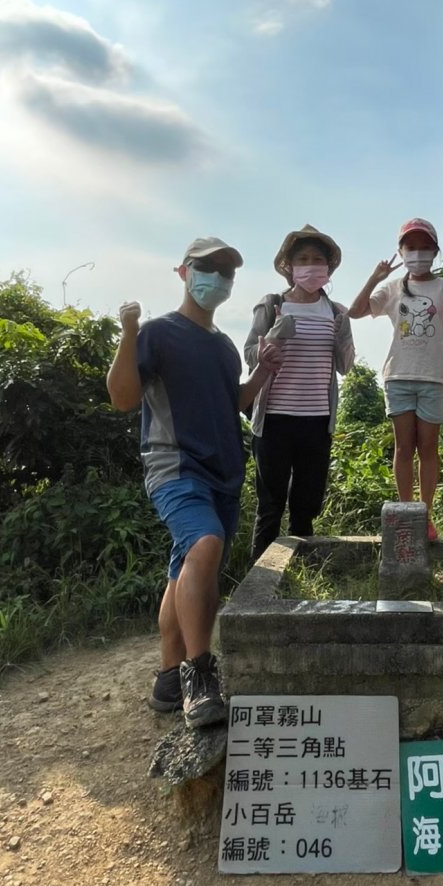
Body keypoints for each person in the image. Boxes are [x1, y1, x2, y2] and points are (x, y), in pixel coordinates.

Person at [106, 237, 282, 729]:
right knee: (205, 545)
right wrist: (127, 332)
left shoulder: (225, 348)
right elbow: (122, 399)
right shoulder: (157, 333)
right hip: (175, 467)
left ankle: (167, 676)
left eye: (226, 272)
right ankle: (200, 675)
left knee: (187, 567)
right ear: (183, 272)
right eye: (208, 268)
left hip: (224, 471)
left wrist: (262, 373)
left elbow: (233, 404)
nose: (218, 279)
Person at [348, 218, 443, 539]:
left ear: (435, 251)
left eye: (424, 246)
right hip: (398, 375)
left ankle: (424, 516)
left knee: (428, 448)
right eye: (410, 247)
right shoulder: (391, 288)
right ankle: (405, 513)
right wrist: (375, 277)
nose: (417, 252)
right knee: (404, 447)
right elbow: (355, 311)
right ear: (400, 251)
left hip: (435, 377)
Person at [244, 224, 354, 560]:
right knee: (270, 506)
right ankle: (257, 585)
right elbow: (250, 354)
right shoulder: (273, 305)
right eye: (302, 258)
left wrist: (340, 337)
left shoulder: (336, 312)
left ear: (328, 268)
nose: (310, 265)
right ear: (288, 266)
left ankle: (298, 576)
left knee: (306, 506)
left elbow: (346, 365)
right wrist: (265, 351)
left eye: (317, 259)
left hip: (317, 421)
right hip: (274, 419)